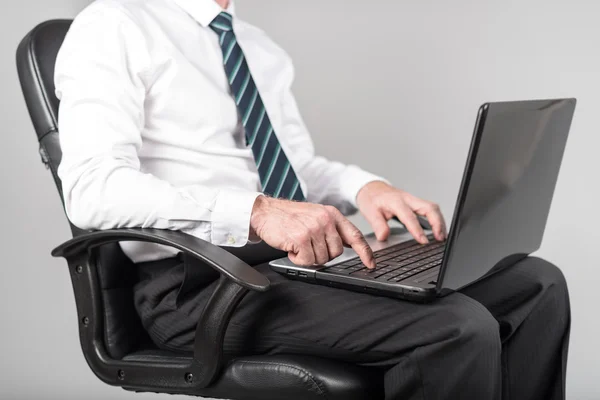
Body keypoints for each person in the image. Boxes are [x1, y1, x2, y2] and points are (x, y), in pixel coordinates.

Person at [54, 0, 571, 399]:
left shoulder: (258, 47)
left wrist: (366, 188)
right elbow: (91, 187)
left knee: (536, 283)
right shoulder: (116, 23)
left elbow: (295, 167)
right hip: (199, 287)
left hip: (295, 266)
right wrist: (255, 211)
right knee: (456, 327)